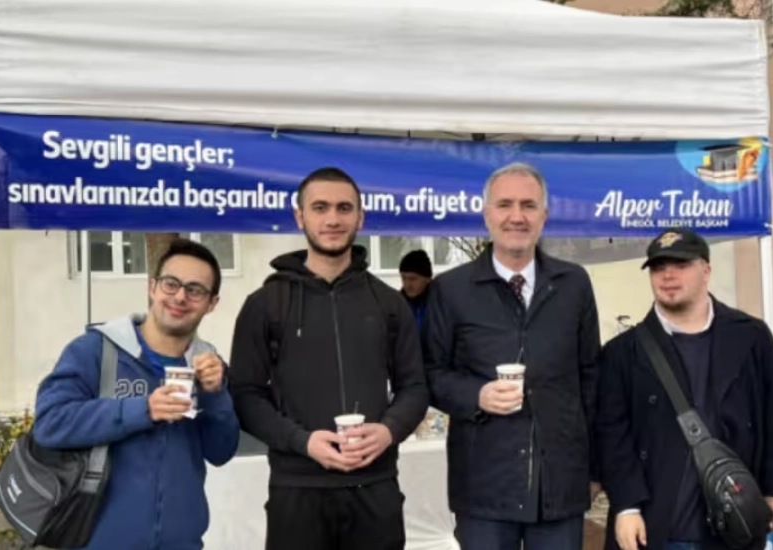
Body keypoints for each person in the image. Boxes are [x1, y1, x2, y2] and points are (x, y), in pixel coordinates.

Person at [229, 167, 429, 550]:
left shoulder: (389, 303)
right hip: (297, 490)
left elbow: (415, 387)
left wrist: (388, 430)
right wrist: (301, 441)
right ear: (299, 216)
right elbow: (245, 394)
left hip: (375, 487)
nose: (333, 219)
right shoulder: (265, 304)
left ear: (360, 217)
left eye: (344, 208)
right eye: (320, 208)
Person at [422, 162, 601, 550]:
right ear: (486, 214)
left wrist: (594, 468)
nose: (517, 216)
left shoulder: (574, 284)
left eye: (528, 205)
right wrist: (476, 395)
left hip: (560, 485)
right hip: (484, 486)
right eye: (505, 204)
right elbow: (430, 373)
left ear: (544, 216)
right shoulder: (451, 290)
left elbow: (591, 377)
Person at [595, 228, 773, 550]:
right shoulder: (622, 352)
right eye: (659, 267)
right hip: (655, 525)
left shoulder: (751, 336)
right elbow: (612, 435)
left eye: (680, 265)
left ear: (706, 270)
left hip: (735, 522)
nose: (668, 275)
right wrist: (626, 506)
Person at [32, 238, 240, 550]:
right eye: (171, 284)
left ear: (212, 303)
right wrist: (144, 410)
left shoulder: (207, 364)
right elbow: (49, 424)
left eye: (195, 290)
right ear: (152, 287)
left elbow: (221, 452)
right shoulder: (95, 350)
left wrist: (214, 395)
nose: (180, 297)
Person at [398, 249, 433, 332]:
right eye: (404, 278)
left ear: (427, 278)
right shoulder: (396, 305)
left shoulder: (440, 306)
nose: (407, 284)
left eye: (413, 279)